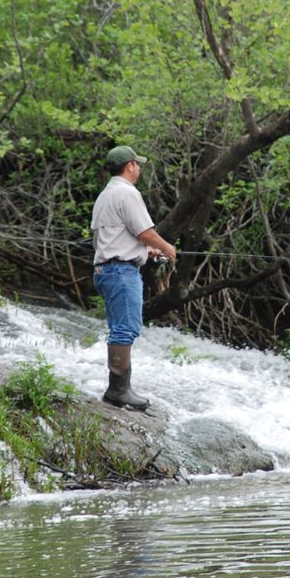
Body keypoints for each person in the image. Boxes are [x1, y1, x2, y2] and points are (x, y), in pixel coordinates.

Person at [91, 145, 177, 411]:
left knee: (120, 329)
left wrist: (143, 251)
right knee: (125, 330)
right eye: (137, 164)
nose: (139, 168)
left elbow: (105, 238)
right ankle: (118, 390)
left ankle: (118, 388)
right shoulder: (127, 193)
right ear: (129, 166)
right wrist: (165, 248)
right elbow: (144, 232)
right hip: (121, 272)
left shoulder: (105, 195)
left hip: (106, 270)